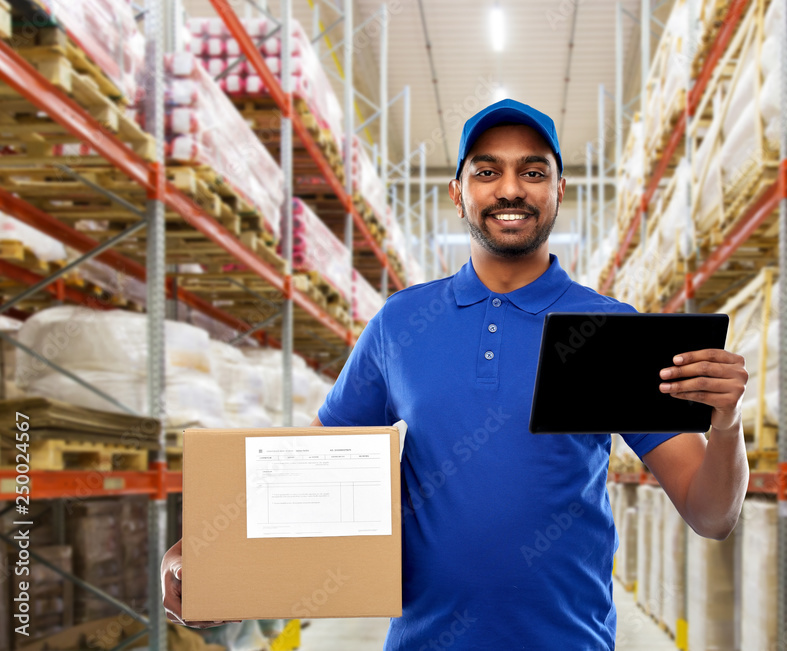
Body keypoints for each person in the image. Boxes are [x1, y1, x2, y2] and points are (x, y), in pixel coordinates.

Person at [162, 99, 749, 648]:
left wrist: (726, 425)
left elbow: (711, 513)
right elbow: (309, 475)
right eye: (487, 172)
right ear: (458, 192)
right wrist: (207, 555)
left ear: (559, 190)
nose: (511, 189)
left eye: (534, 172)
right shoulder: (401, 322)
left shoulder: (609, 330)